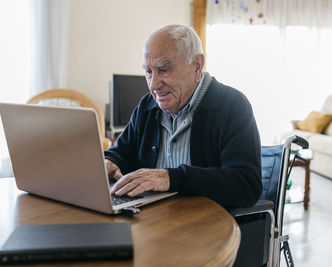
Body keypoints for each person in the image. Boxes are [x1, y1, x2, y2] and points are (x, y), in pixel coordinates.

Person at [104, 25, 262, 209]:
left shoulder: (232, 105)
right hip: (151, 222)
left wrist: (172, 178)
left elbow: (246, 185)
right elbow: (122, 153)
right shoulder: (147, 105)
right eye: (148, 71)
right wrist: (110, 162)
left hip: (206, 225)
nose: (153, 84)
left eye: (164, 70)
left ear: (197, 66)